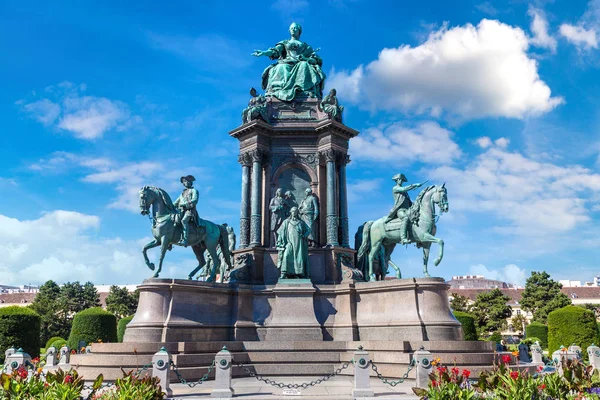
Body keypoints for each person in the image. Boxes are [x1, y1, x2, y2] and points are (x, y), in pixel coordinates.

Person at [252, 22, 325, 101]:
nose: (293, 29)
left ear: (299, 31)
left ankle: (303, 90)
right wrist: (264, 53)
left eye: (295, 28)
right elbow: (275, 51)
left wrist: (305, 58)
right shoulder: (285, 43)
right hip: (286, 62)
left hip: (300, 63)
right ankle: (279, 90)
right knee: (280, 67)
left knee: (304, 65)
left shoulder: (306, 47)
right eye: (291, 28)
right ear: (289, 31)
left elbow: (314, 59)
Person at [384, 174, 426, 244]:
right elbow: (403, 189)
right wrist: (415, 185)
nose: (401, 181)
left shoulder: (405, 193)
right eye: (400, 180)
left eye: (402, 180)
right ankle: (403, 238)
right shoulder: (395, 188)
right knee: (405, 218)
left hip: (407, 210)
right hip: (400, 210)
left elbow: (407, 200)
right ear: (397, 180)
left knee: (417, 217)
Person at [276, 207, 311, 279]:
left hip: (299, 243)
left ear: (297, 213)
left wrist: (304, 235)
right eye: (292, 211)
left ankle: (298, 273)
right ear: (290, 212)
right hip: (289, 243)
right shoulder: (286, 222)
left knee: (299, 257)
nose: (294, 213)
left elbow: (308, 230)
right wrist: (280, 241)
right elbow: (280, 231)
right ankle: (284, 272)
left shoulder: (301, 222)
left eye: (295, 211)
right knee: (286, 255)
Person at [174, 175, 199, 246]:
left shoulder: (194, 191)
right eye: (184, 181)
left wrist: (185, 204)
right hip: (181, 211)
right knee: (173, 220)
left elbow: (194, 200)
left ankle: (185, 239)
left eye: (188, 181)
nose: (186, 182)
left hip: (190, 211)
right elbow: (175, 203)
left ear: (191, 182)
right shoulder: (182, 194)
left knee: (184, 221)